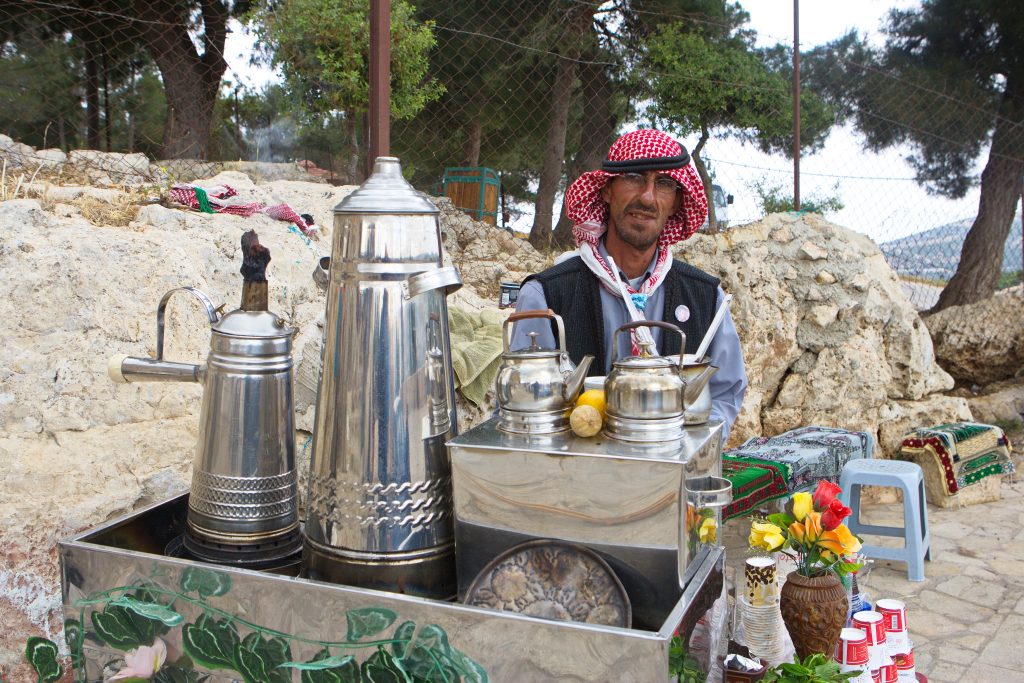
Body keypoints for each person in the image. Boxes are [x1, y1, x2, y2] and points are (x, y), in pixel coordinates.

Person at [511, 129, 747, 439]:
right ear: (607, 190)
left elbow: (725, 393)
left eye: (663, 184)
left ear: (676, 202)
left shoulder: (706, 297)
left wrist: (691, 449)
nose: (647, 197)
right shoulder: (546, 295)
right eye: (634, 177)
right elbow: (524, 404)